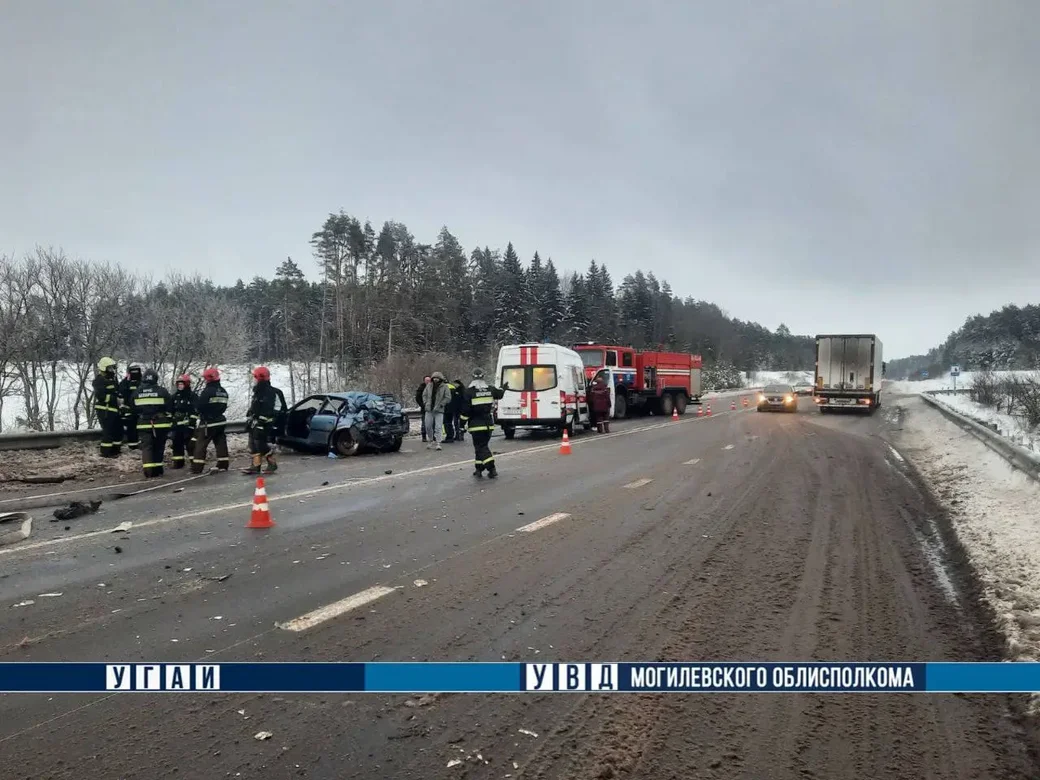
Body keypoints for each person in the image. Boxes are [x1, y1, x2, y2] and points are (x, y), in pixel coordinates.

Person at [461, 368, 505, 478]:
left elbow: (465, 411)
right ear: (483, 377)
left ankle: (491, 468)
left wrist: (461, 424)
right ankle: (479, 469)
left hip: (476, 426)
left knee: (481, 447)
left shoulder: (469, 392)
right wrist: (504, 388)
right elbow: (499, 394)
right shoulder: (489, 389)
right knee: (480, 447)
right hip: (488, 425)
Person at [131, 367, 173, 478]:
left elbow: (133, 408)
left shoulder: (137, 392)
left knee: (147, 447)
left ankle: (149, 471)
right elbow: (170, 406)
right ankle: (158, 469)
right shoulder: (162, 391)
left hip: (144, 423)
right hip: (160, 423)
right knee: (159, 446)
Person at [243, 365, 281, 474]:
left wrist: (262, 421)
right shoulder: (258, 391)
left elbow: (268, 409)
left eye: (255, 377)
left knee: (260, 444)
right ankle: (255, 466)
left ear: (259, 378)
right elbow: (256, 406)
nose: (254, 380)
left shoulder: (269, 392)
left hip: (264, 423)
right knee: (252, 444)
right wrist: (250, 413)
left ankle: (272, 463)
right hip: (255, 421)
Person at [192, 367, 230, 474]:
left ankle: (197, 468)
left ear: (208, 379)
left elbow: (200, 406)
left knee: (200, 445)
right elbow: (224, 406)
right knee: (221, 443)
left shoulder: (207, 391)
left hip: (208, 423)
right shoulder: (223, 391)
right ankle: (223, 464)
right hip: (220, 421)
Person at [92, 356, 123, 458]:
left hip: (114, 410)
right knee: (108, 432)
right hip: (105, 410)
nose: (112, 370)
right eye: (110, 368)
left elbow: (117, 391)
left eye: (113, 368)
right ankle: (106, 452)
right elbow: (101, 396)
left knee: (118, 430)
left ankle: (116, 450)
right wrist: (115, 399)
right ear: (104, 368)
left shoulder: (112, 379)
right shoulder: (99, 381)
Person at [170, 374, 198, 469]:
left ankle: (194, 463)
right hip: (177, 426)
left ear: (187, 384)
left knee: (190, 445)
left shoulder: (192, 396)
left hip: (188, 426)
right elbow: (170, 410)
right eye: (179, 384)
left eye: (182, 384)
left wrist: (191, 423)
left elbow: (195, 411)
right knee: (177, 445)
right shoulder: (174, 397)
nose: (180, 386)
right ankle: (178, 463)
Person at [422, 371, 451, 451]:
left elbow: (448, 397)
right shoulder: (429, 386)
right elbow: (424, 395)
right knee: (428, 426)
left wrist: (442, 404)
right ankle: (430, 440)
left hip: (439, 410)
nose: (435, 379)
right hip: (429, 409)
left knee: (438, 427)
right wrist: (425, 403)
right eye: (434, 378)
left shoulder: (444, 387)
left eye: (437, 378)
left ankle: (438, 442)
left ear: (440, 379)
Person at [118, 364, 143, 451]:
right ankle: (133, 445)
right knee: (131, 428)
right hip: (129, 410)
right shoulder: (125, 383)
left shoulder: (142, 382)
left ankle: (139, 444)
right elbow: (121, 393)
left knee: (141, 428)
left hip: (141, 410)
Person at [415, 376, 431, 443]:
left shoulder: (433, 387)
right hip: (424, 408)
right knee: (424, 423)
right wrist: (422, 405)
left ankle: (433, 436)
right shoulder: (421, 388)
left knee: (432, 423)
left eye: (429, 380)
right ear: (424, 381)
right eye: (427, 380)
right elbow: (417, 398)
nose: (428, 381)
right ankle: (424, 436)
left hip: (432, 408)